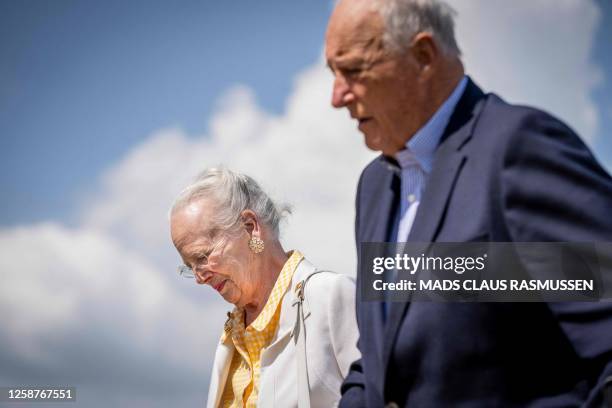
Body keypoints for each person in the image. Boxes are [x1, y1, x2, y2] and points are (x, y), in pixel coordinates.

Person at [325, 0, 612, 406]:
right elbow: (377, 361)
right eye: (332, 73)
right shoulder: (373, 188)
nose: (336, 96)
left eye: (353, 70)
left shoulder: (516, 149)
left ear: (423, 56)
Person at [169, 167, 360, 407]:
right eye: (190, 266)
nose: (199, 277)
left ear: (250, 227)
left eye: (203, 257)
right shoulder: (230, 339)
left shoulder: (330, 296)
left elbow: (387, 395)